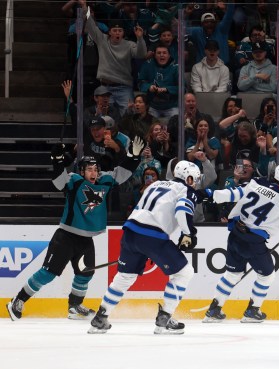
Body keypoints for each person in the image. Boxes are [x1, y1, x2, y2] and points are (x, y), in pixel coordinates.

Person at [6, 138, 144, 321]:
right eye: (89, 169)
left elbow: (122, 173)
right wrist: (56, 159)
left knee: (85, 273)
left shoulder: (105, 181)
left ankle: (74, 306)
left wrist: (133, 156)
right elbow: (58, 182)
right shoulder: (74, 181)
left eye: (95, 169)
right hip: (65, 237)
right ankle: (18, 300)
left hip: (86, 239)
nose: (93, 172)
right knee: (48, 273)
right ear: (81, 171)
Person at [88, 160, 200, 334]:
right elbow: (181, 211)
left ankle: (101, 316)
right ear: (189, 178)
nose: (196, 183)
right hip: (153, 235)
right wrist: (188, 233)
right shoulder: (185, 189)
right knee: (184, 272)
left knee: (125, 276)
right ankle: (165, 317)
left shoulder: (155, 184)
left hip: (131, 232)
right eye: (195, 179)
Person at [202, 163, 279, 323]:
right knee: (267, 276)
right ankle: (252, 311)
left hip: (236, 234)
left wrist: (213, 195)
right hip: (253, 242)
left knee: (231, 274)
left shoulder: (257, 182)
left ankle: (214, 310)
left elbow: (233, 194)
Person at [79, 0, 147, 115]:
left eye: (120, 31)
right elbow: (90, 24)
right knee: (103, 116)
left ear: (123, 33)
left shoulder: (129, 44)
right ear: (109, 32)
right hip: (105, 87)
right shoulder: (102, 40)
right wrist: (84, 7)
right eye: (114, 30)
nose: (117, 33)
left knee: (129, 114)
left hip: (124, 87)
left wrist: (140, 38)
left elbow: (141, 54)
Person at [138, 43, 180, 121]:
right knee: (148, 124)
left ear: (169, 55)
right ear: (154, 55)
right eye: (159, 53)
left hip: (172, 106)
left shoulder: (176, 67)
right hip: (153, 106)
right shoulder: (147, 65)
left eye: (164, 53)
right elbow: (140, 83)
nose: (161, 55)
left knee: (176, 124)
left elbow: (182, 88)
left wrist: (167, 89)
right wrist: (149, 87)